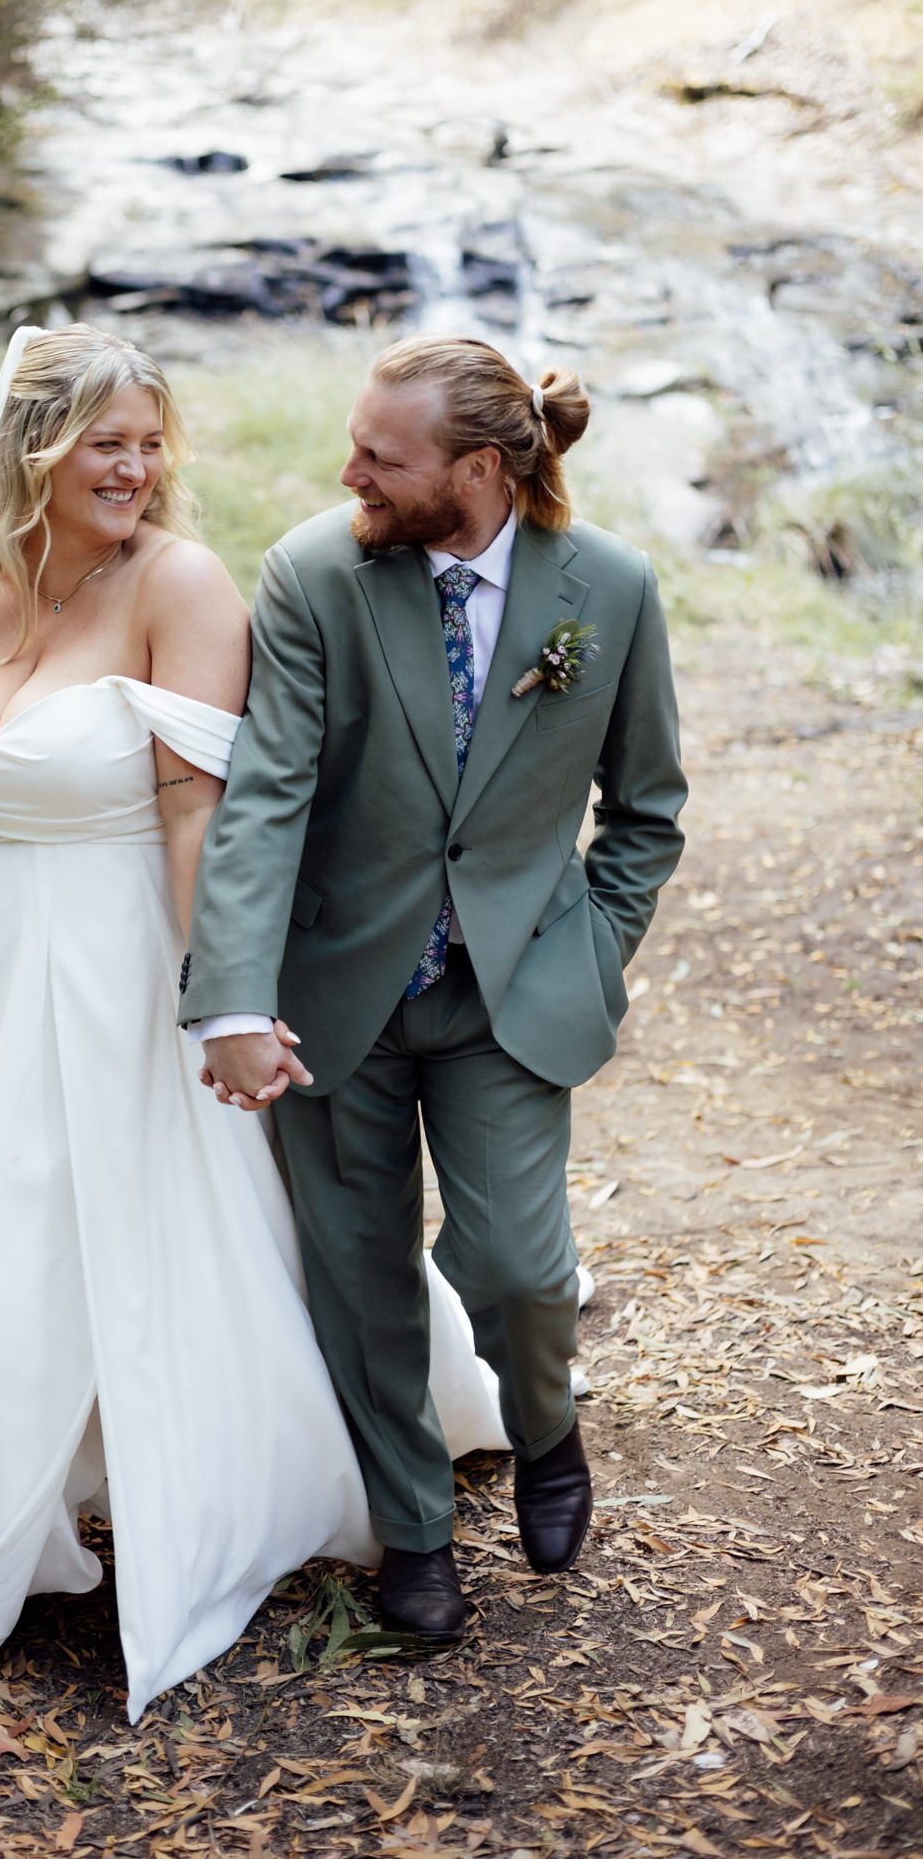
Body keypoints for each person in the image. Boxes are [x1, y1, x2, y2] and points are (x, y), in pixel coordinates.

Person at [0, 323, 514, 1723]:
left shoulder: (178, 585)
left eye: (146, 440)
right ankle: (23, 1471)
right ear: (31, 447)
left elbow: (197, 814)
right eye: (105, 442)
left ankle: (277, 1460)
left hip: (126, 967)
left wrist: (225, 1000)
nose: (136, 466)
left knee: (148, 1237)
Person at [183, 335, 687, 1642]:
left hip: (507, 996)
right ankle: (411, 1526)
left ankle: (546, 1430)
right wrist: (231, 998)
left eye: (379, 455)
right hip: (330, 990)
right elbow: (265, 799)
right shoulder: (311, 575)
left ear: (477, 467)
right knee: (359, 1278)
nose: (346, 468)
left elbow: (643, 811)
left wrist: (591, 941)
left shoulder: (611, 588)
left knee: (517, 1269)